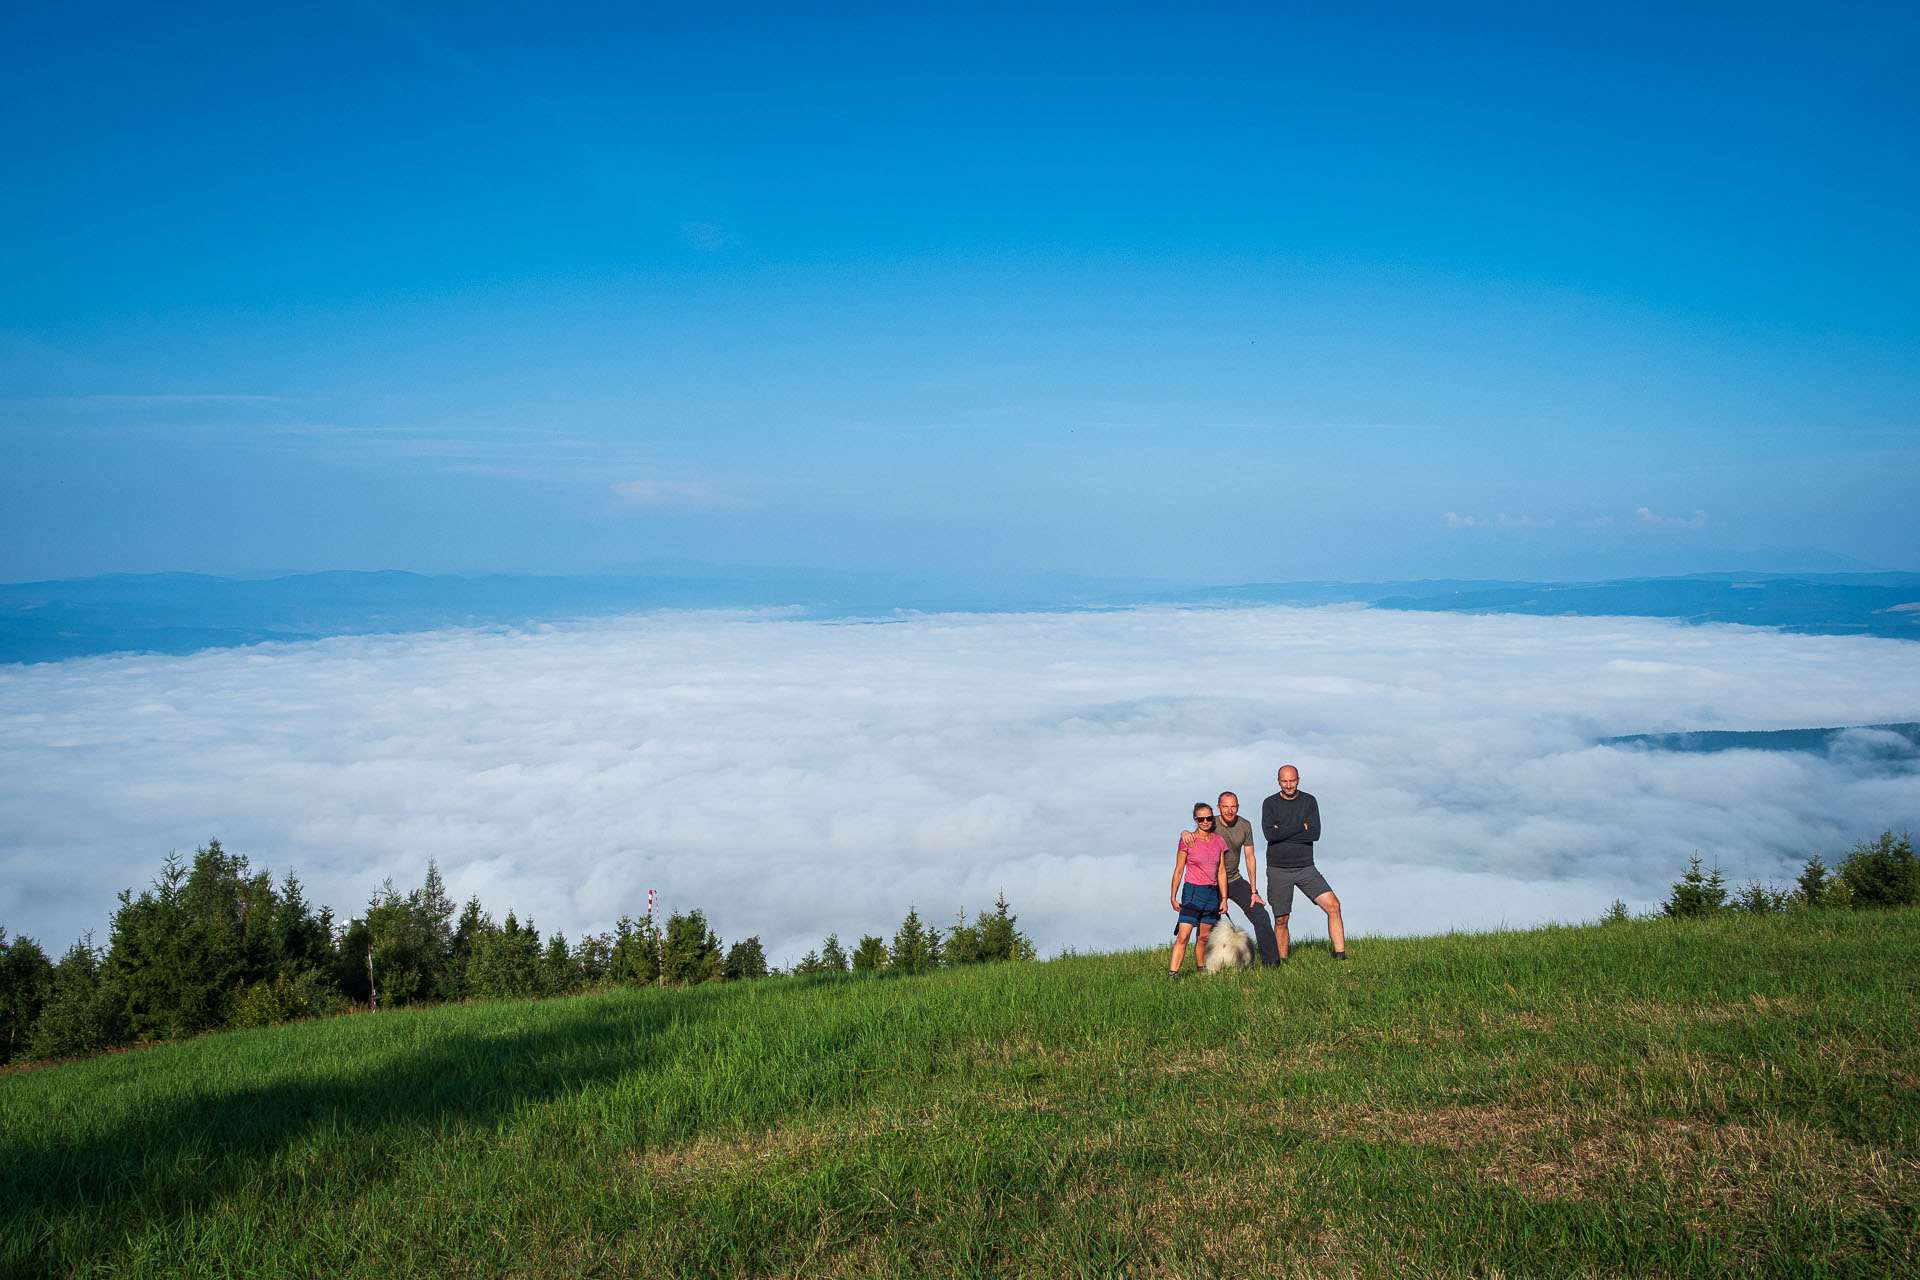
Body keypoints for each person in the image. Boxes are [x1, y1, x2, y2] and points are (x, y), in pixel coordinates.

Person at [1261, 765, 1346, 961]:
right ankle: (1280, 963)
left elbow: (1315, 834)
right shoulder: (1270, 803)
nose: (1289, 785)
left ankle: (1341, 957)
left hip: (1306, 867)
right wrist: (1301, 827)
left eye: (1292, 781)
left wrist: (1283, 831)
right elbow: (1270, 834)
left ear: (1298, 780)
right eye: (1284, 781)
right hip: (1278, 868)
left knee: (1333, 906)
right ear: (1278, 782)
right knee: (1281, 918)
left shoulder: (1309, 801)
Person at [1215, 791, 1281, 966]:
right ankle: (1209, 967)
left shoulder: (1244, 825)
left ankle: (1272, 965)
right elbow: (1194, 837)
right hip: (1212, 882)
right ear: (1218, 807)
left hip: (1234, 880)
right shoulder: (1210, 823)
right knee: (1209, 924)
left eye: (1233, 806)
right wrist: (1185, 833)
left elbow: (1250, 857)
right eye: (1225, 807)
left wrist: (1254, 891)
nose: (1230, 811)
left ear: (1237, 807)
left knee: (1261, 916)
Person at [1167, 800, 1229, 978]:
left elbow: (1221, 871)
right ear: (1195, 820)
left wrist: (1224, 898)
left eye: (1209, 818)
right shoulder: (1188, 840)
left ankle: (1201, 970)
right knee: (1184, 935)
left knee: (1203, 937)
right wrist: (1173, 896)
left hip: (1212, 893)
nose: (1205, 822)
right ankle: (1173, 974)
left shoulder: (1219, 841)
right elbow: (1179, 870)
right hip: (1193, 891)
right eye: (1201, 819)